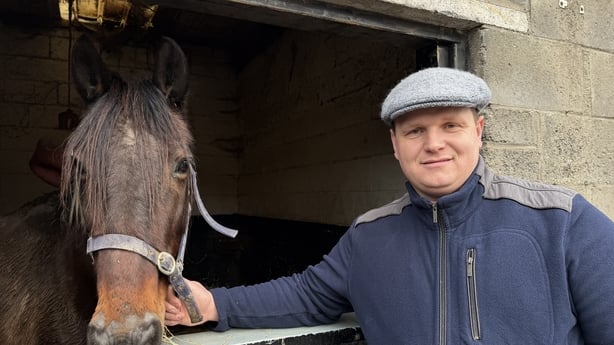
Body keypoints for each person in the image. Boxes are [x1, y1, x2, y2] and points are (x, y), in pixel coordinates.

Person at [165, 67, 614, 344]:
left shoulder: (564, 220)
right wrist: (211, 304)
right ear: (395, 145)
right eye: (415, 131)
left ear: (478, 131)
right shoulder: (369, 235)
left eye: (450, 125)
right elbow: (307, 295)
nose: (434, 143)